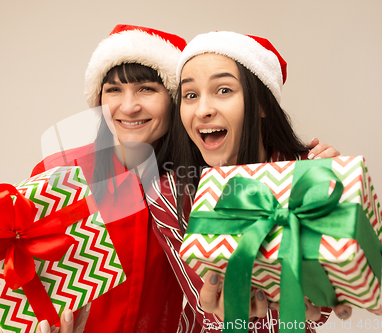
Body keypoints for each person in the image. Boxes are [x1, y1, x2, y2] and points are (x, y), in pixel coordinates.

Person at [0, 25, 339, 333]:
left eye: (146, 89)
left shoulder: (192, 185)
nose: (128, 106)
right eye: (113, 90)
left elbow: (312, 308)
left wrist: (319, 186)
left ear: (172, 104)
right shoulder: (64, 174)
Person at [146, 31, 359, 333]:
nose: (203, 109)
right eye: (190, 95)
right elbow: (207, 311)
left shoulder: (308, 174)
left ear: (261, 105)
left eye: (223, 90)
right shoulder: (170, 196)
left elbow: (323, 308)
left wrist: (333, 188)